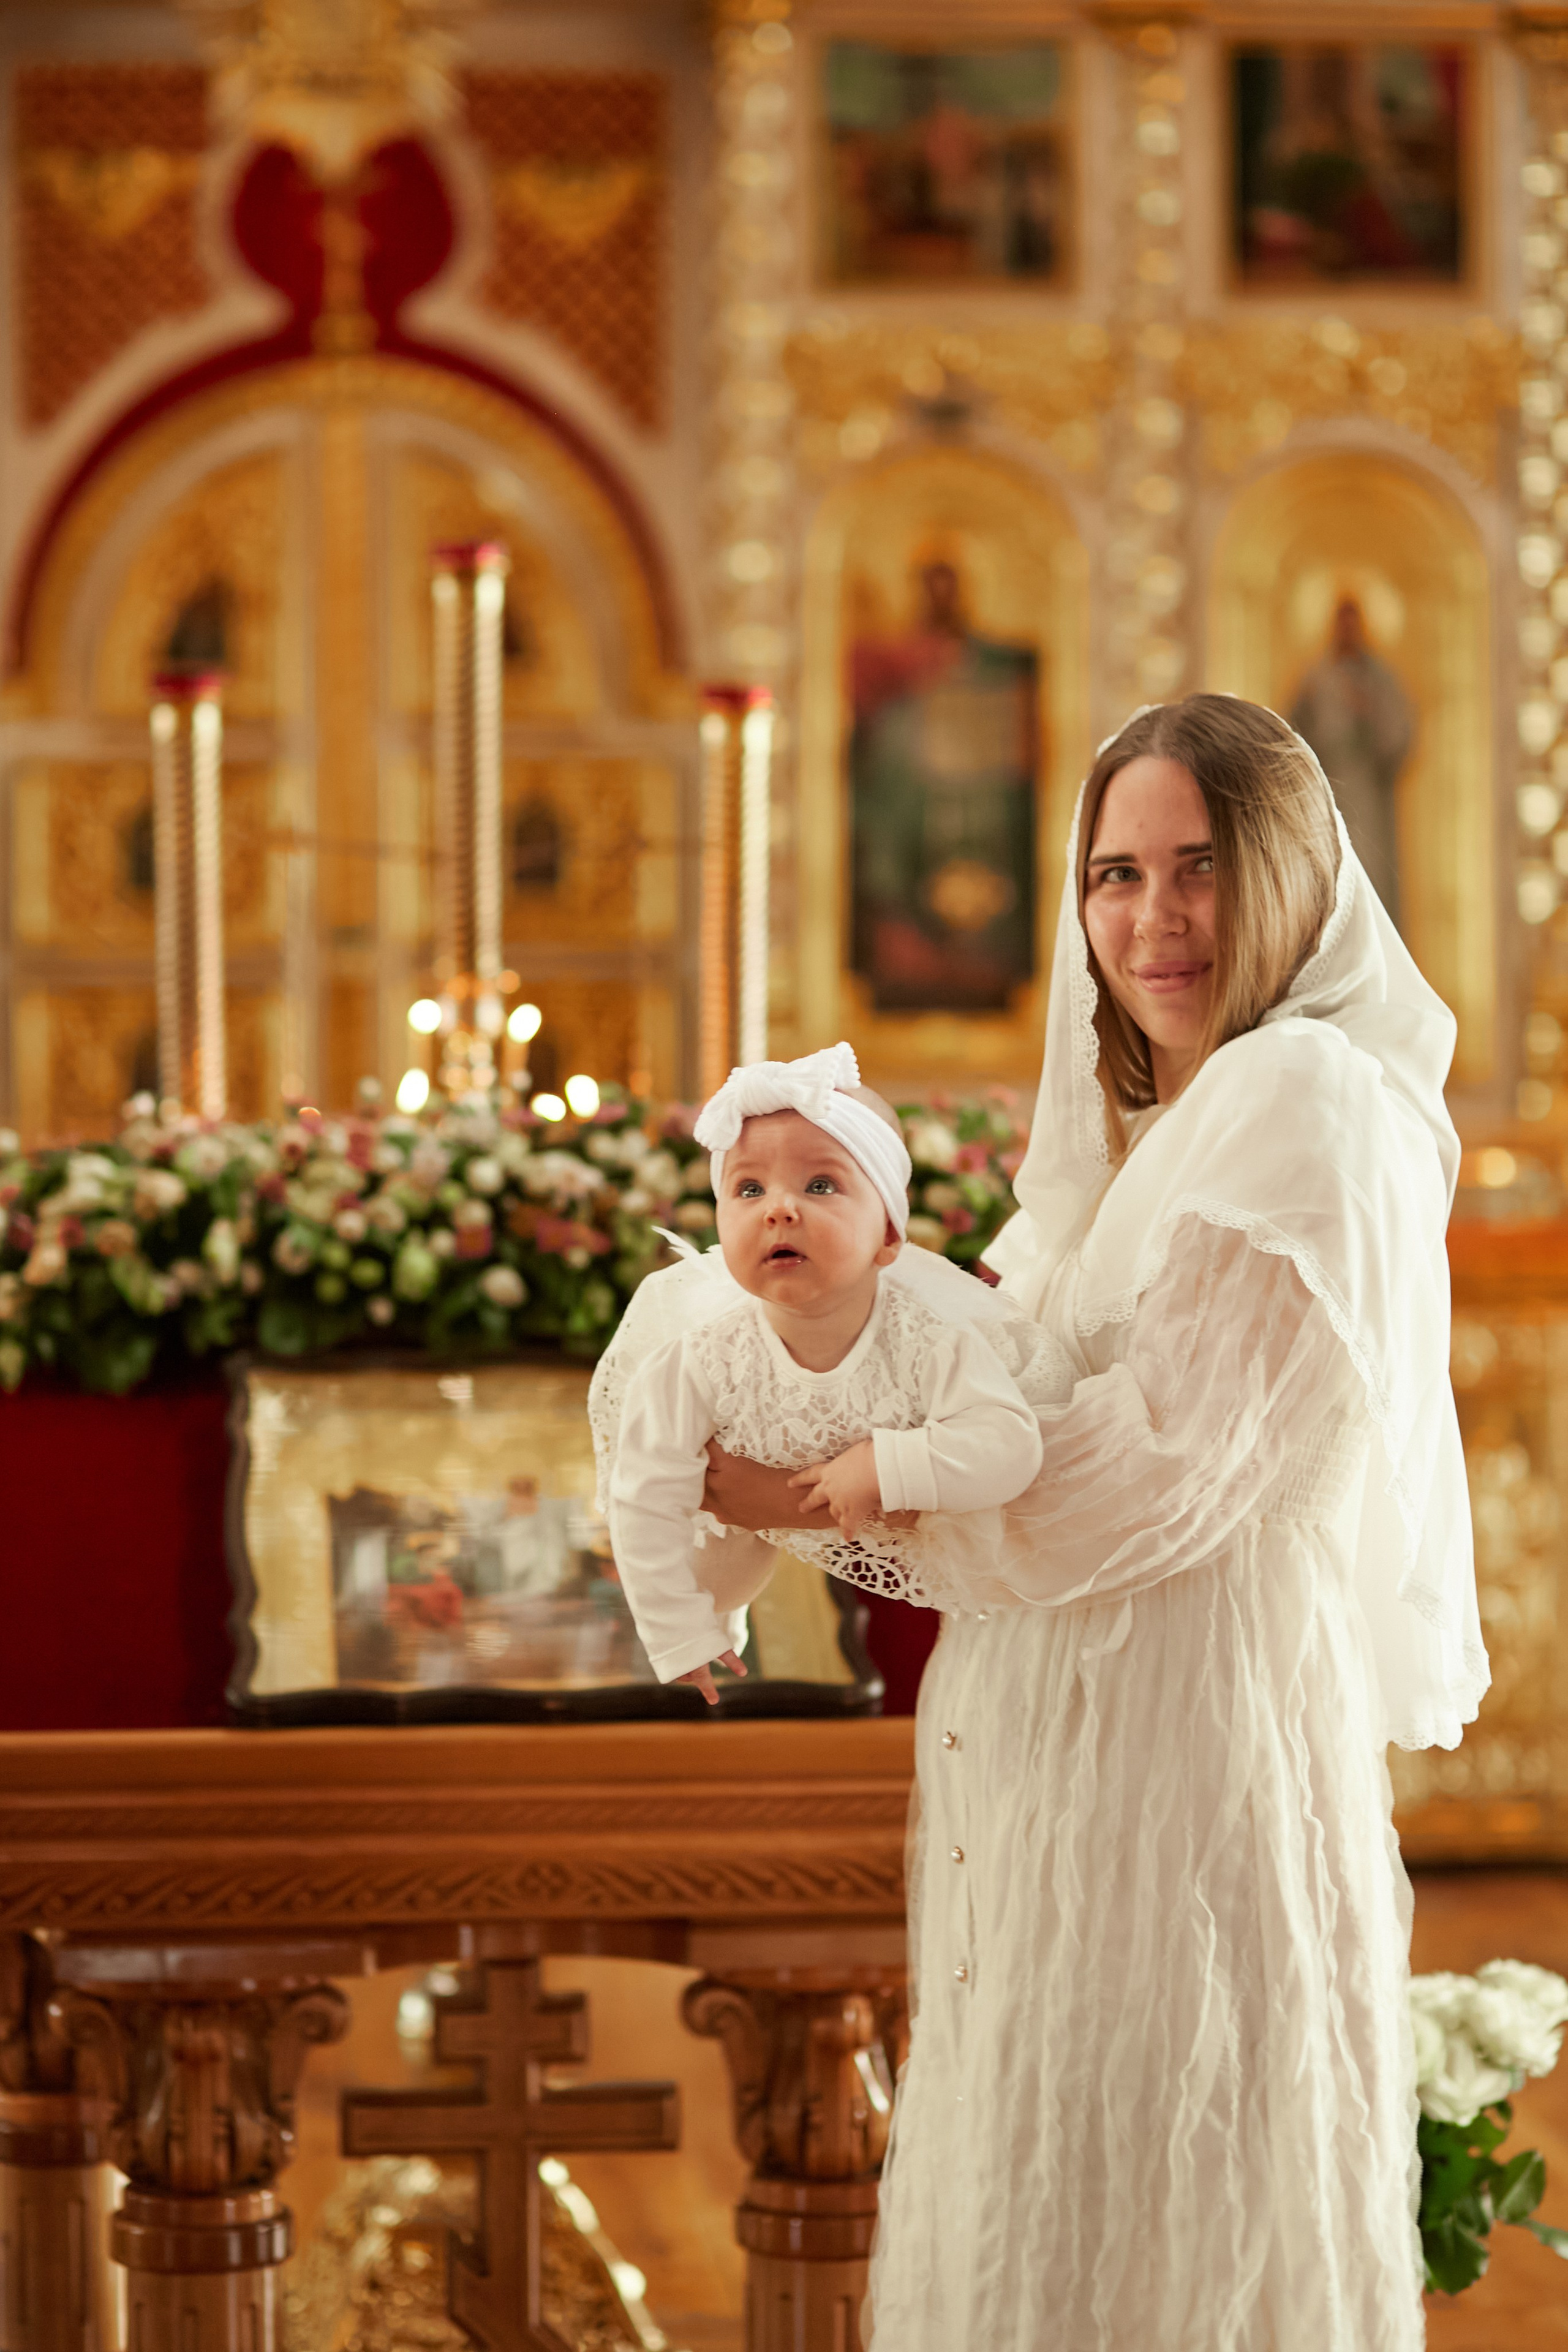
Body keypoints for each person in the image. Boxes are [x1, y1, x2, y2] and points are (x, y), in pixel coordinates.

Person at [703, 696, 1487, 2350]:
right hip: (1067, 1743)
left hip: (1190, 1744)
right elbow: (991, 1379)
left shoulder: (1302, 1103)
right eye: (1115, 874)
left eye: (1201, 867)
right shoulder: (1146, 1139)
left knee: (1180, 2201)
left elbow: (1151, 1473)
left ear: (1289, 877)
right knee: (1063, 2204)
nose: (1154, 919)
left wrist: (820, 1489)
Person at [589, 1041, 1065, 1700]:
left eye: (820, 1186)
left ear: (889, 1235)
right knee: (713, 1575)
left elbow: (1009, 1446)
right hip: (731, 1510)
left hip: (896, 1532)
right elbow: (644, 1496)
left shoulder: (929, 1342)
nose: (779, 1209)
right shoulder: (698, 1360)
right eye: (748, 1189)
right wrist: (679, 1631)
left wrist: (884, 1466)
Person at [1291, 594, 1413, 927]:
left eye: (1352, 622)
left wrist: (1368, 709)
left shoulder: (1379, 679)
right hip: (1329, 791)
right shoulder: (1316, 679)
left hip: (1369, 796)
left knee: (1371, 868)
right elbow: (1295, 734)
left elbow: (1398, 737)